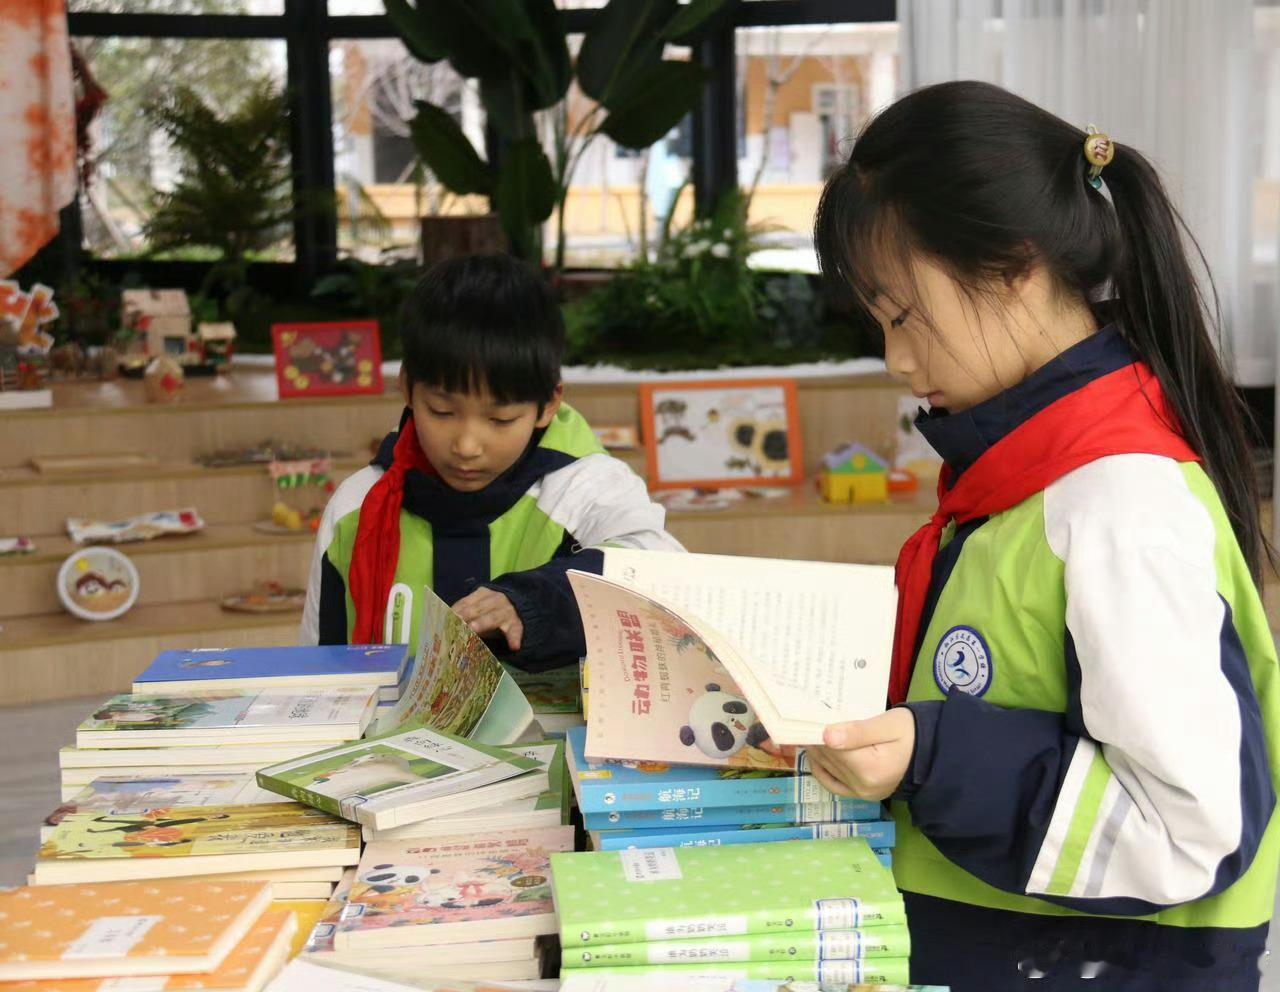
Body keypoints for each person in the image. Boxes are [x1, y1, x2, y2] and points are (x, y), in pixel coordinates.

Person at [793, 80, 1280, 991]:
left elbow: (1188, 831)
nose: (896, 358)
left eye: (904, 315)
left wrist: (930, 757)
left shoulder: (1117, 504)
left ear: (1014, 264)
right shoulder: (1029, 470)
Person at [300, 254, 682, 669]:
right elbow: (321, 672)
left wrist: (531, 603)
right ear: (408, 388)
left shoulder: (585, 487)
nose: (466, 445)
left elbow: (658, 568)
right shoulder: (357, 507)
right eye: (442, 412)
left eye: (500, 419)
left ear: (548, 404)